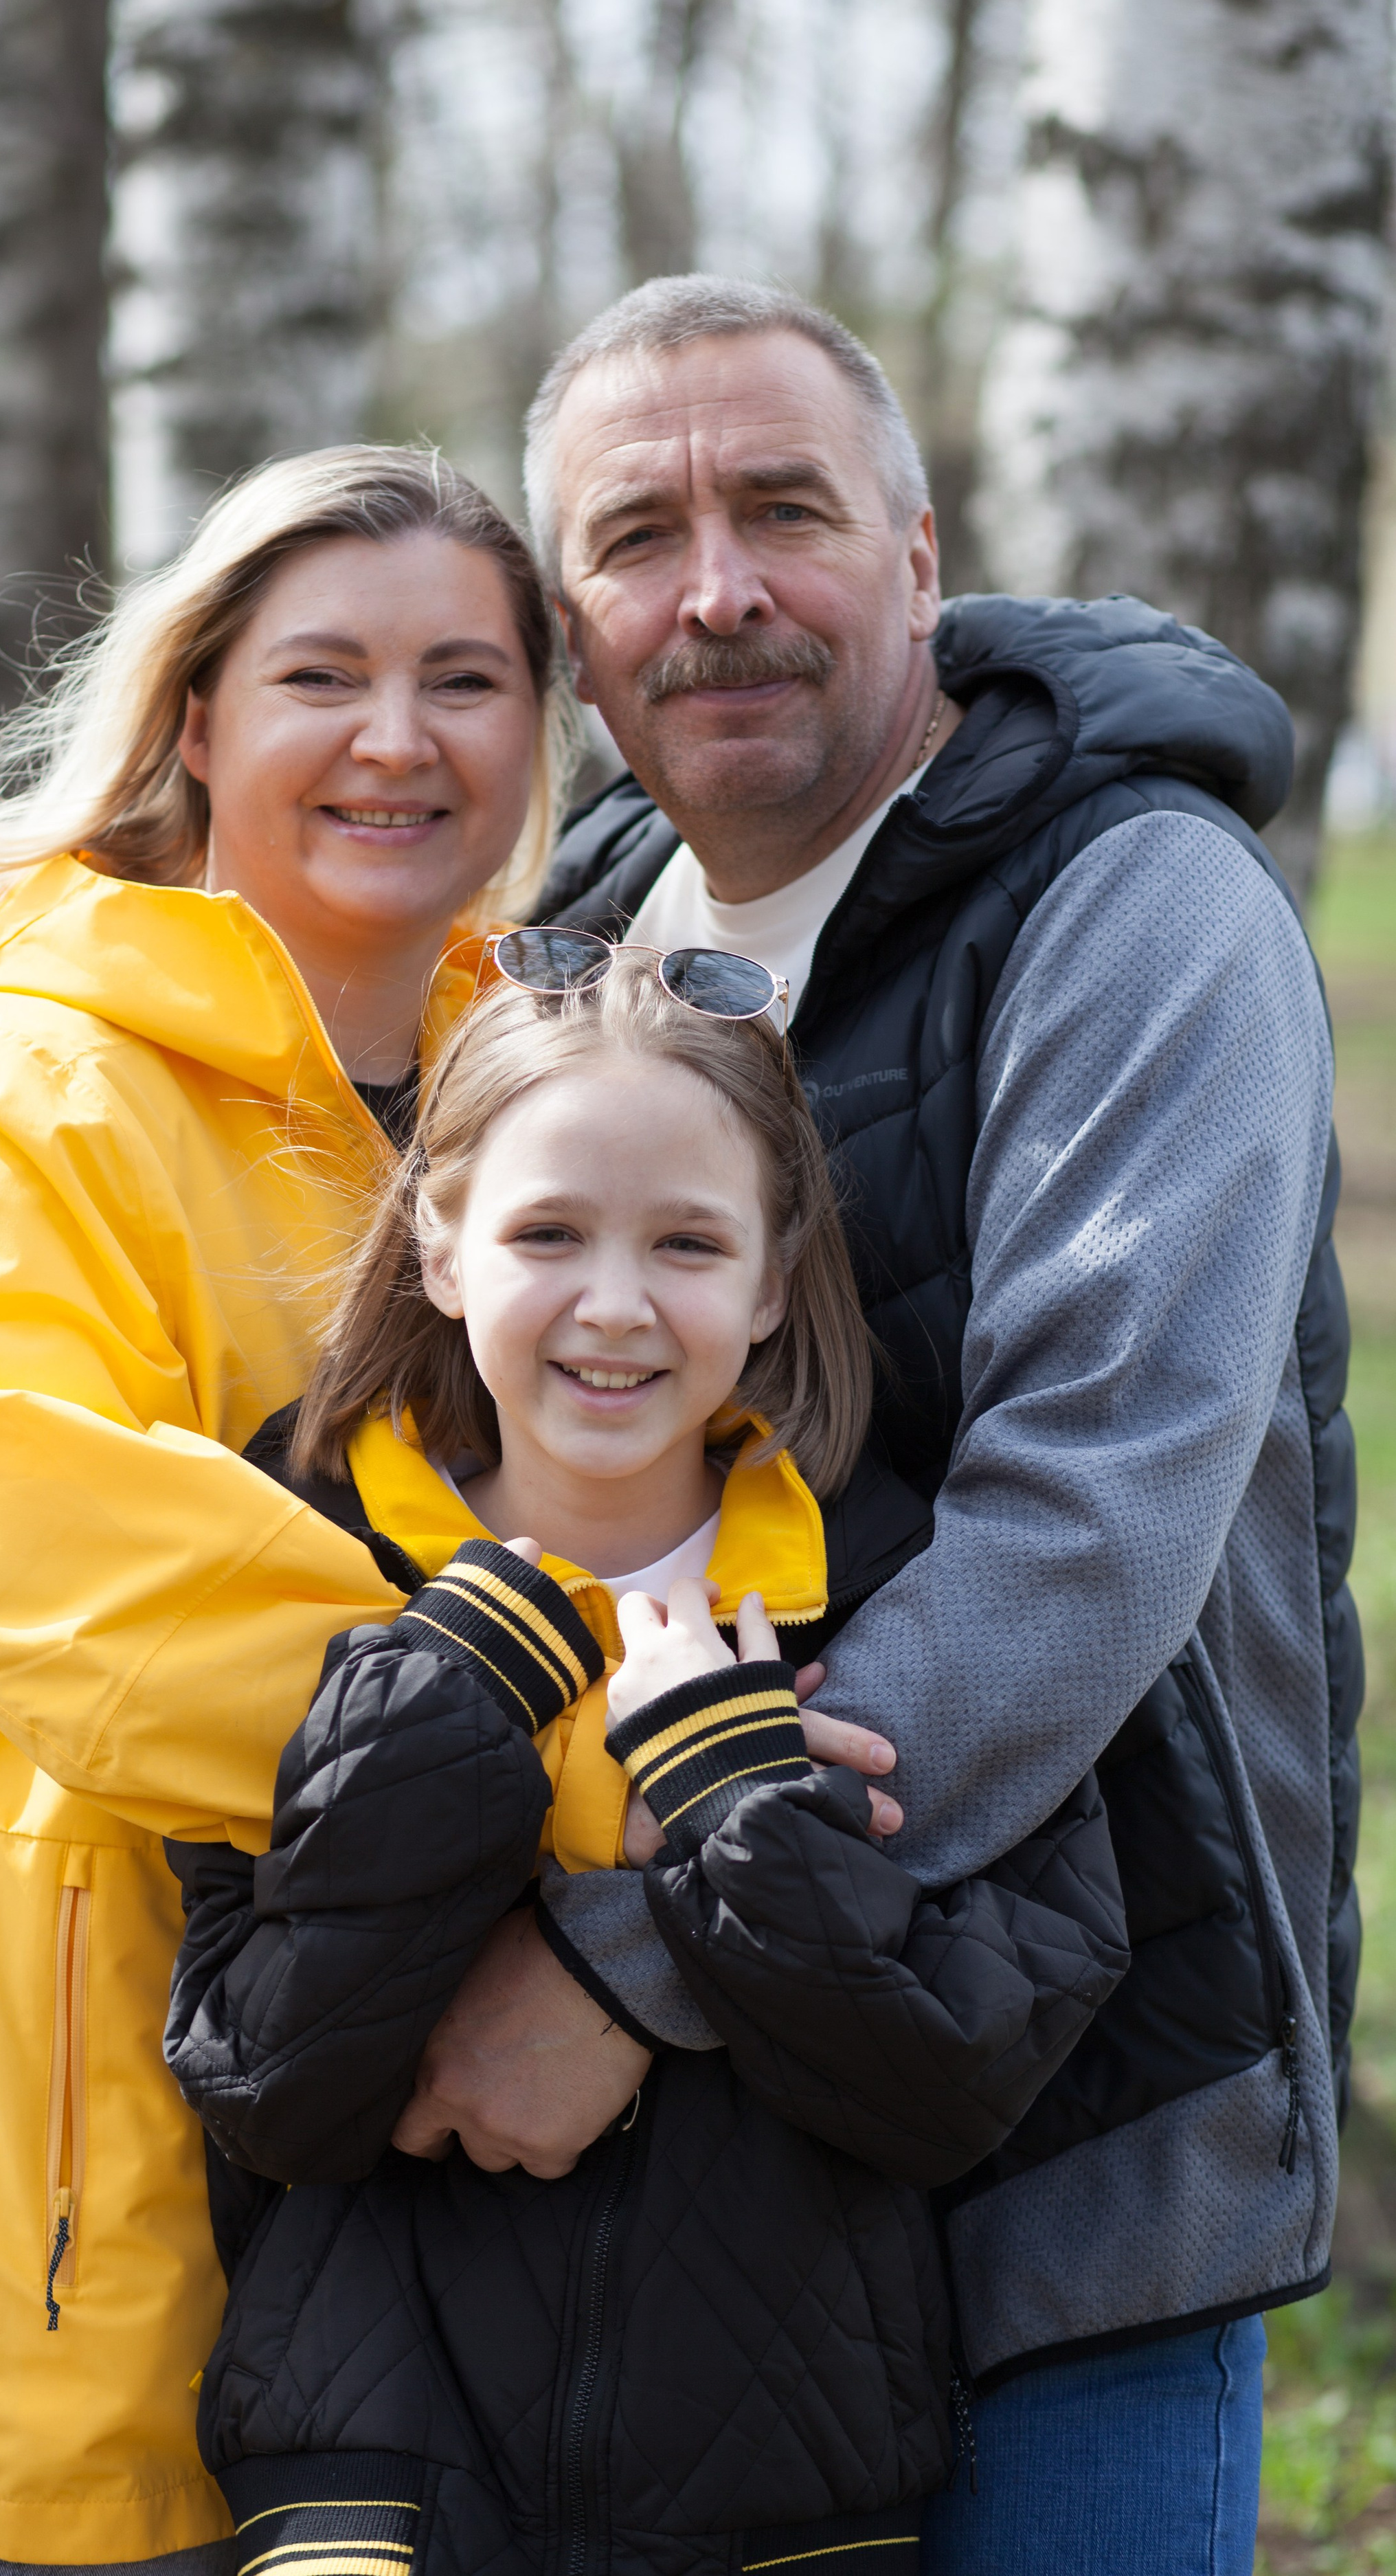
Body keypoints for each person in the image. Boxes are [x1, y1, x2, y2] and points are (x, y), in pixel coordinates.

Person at [381, 278, 1356, 2576]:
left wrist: (630, 1958)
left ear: (920, 557)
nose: (715, 591)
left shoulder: (1139, 901)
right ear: (577, 626)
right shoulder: (573, 946)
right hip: (716, 2167)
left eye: (784, 511)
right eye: (638, 536)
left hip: (1078, 2107)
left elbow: (1084, 1526)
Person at [0, 447, 589, 2571]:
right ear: (197, 721)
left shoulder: (552, 1091)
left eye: (466, 676)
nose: (398, 738)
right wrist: (617, 1780)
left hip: (426, 2207)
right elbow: (82, 1583)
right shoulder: (24, 1080)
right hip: (65, 2167)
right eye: (324, 675)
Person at [161, 944, 1129, 2576]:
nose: (615, 1304)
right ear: (441, 1242)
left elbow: (959, 2075)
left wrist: (739, 1807)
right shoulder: (299, 1564)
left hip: (785, 2496)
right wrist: (449, 1708)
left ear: (767, 1281)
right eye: (547, 1233)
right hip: (372, 2482)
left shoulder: (894, 1589)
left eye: (685, 1243)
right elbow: (268, 2084)